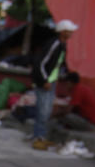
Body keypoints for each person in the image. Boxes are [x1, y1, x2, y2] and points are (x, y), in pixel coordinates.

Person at [31, 19, 77, 149]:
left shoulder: (62, 45)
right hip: (45, 82)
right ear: (62, 32)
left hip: (51, 81)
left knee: (46, 110)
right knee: (43, 110)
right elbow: (40, 63)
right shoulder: (54, 44)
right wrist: (44, 80)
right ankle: (38, 138)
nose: (71, 34)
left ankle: (41, 136)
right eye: (69, 31)